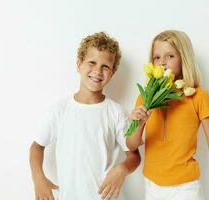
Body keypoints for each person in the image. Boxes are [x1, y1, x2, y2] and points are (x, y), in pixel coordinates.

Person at [29, 32, 141, 200]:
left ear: (112, 73)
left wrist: (121, 170)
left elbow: (134, 154)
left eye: (105, 66)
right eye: (92, 62)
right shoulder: (60, 110)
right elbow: (36, 147)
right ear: (79, 64)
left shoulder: (115, 112)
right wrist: (38, 179)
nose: (98, 71)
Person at [126, 30, 209, 200]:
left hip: (186, 188)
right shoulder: (144, 98)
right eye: (157, 57)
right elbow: (131, 145)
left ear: (184, 58)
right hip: (152, 185)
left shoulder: (198, 96)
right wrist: (139, 122)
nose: (162, 63)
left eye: (170, 56)